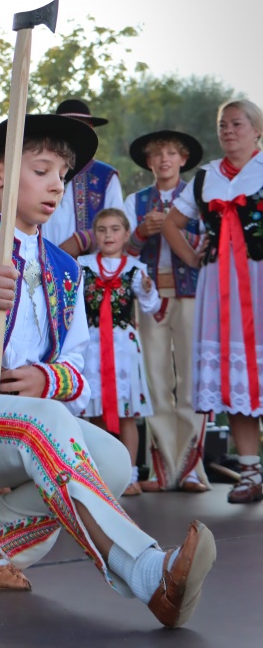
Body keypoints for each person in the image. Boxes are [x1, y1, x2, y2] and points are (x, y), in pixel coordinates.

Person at [0, 113, 216, 629]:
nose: (56, 186)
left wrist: (49, 379)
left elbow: (77, 366)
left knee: (114, 461)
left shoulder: (65, 270)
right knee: (49, 423)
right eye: (41, 171)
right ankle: (147, 572)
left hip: (23, 429)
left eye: (62, 176)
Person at [163, 99, 263, 504]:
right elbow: (172, 224)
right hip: (220, 284)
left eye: (237, 124)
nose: (228, 131)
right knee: (233, 373)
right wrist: (192, 258)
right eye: (223, 125)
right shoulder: (206, 177)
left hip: (258, 279)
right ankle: (250, 471)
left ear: (257, 130)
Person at [125, 129, 210, 493]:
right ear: (148, 162)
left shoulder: (200, 196)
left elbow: (209, 244)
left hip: (192, 294)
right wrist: (143, 231)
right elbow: (121, 250)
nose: (164, 159)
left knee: (192, 378)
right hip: (149, 297)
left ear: (183, 159)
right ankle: (163, 469)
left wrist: (176, 231)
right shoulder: (135, 201)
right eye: (157, 154)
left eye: (171, 153)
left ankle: (190, 468)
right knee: (155, 380)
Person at [78, 208, 161, 496]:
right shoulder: (83, 265)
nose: (108, 235)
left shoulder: (136, 269)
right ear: (95, 235)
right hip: (92, 347)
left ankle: (129, 475)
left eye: (115, 229)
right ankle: (100, 473)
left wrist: (148, 290)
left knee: (127, 411)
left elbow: (151, 307)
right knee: (96, 411)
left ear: (126, 235)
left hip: (123, 348)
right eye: (102, 230)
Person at [41, 99, 123, 257]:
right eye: (65, 127)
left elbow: (118, 224)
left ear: (91, 131)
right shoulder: (38, 171)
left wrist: (82, 239)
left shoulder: (105, 176)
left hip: (90, 267)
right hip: (39, 262)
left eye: (81, 127)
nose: (73, 134)